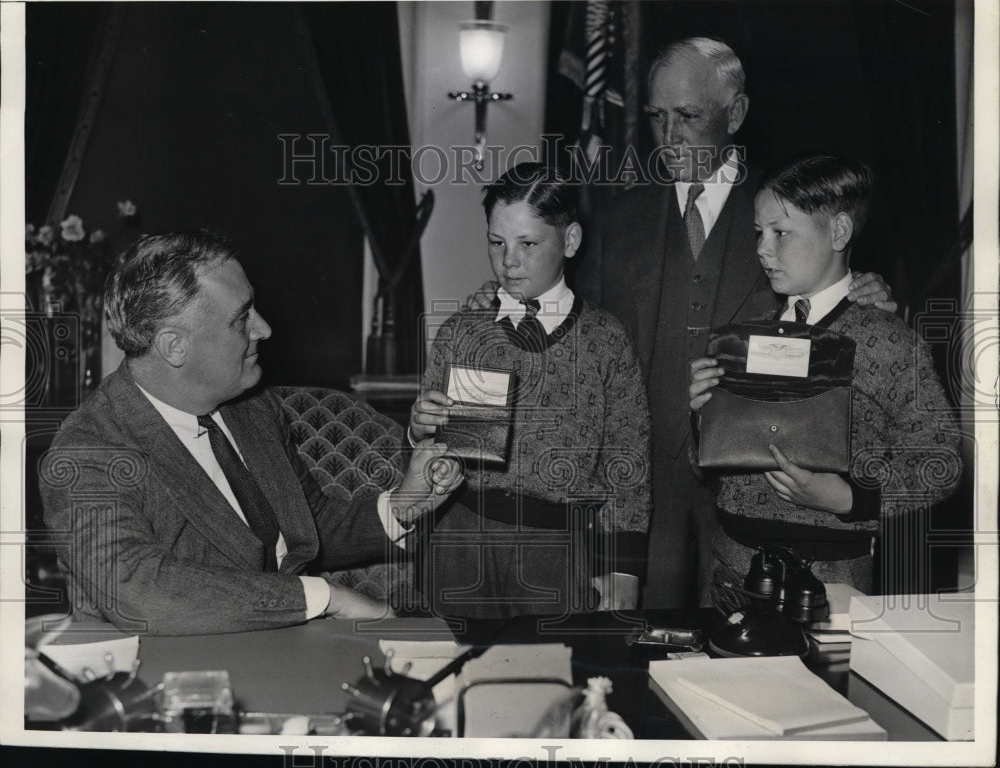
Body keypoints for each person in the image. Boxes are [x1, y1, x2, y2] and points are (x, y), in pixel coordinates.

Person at [571, 37, 897, 608]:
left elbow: (838, 313)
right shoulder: (613, 219)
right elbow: (583, 346)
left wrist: (870, 293)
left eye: (689, 117)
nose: (669, 138)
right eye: (657, 117)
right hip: (643, 487)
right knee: (641, 655)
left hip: (761, 487)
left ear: (736, 114)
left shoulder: (790, 215)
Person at [40, 230, 462, 635]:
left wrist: (404, 505)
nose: (264, 329)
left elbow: (304, 525)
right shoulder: (87, 450)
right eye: (242, 318)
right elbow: (139, 591)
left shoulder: (251, 406)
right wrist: (323, 597)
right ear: (175, 346)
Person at [688, 154, 961, 594]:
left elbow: (941, 460)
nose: (762, 248)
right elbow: (708, 470)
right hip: (730, 568)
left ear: (838, 231)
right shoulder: (743, 332)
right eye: (759, 233)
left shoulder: (887, 340)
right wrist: (702, 419)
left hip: (832, 580)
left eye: (781, 233)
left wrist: (851, 497)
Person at [409, 163, 651, 619]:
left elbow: (628, 460)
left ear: (571, 241)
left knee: (549, 678)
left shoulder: (605, 340)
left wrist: (623, 568)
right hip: (458, 538)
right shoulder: (462, 330)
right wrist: (418, 427)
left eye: (528, 244)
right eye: (497, 243)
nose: (509, 261)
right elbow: (430, 444)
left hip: (556, 547)